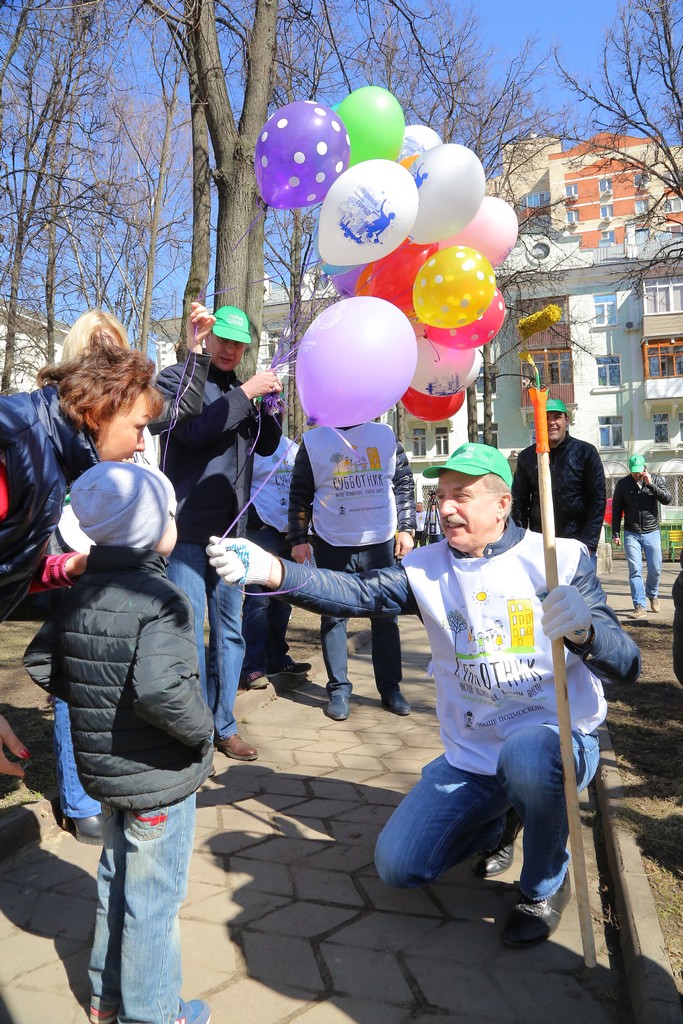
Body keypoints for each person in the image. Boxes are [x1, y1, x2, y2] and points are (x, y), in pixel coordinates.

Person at [208, 442, 640, 948]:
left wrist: (588, 632)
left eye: (463, 495)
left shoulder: (558, 560)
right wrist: (275, 571)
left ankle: (545, 884)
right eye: (441, 495)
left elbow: (627, 665)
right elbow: (356, 593)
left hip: (556, 739)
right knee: (400, 867)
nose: (446, 507)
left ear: (502, 504)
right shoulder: (425, 568)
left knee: (528, 756)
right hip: (474, 755)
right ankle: (501, 819)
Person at [23, 461, 214, 1024]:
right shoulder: (164, 599)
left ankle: (105, 1000)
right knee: (153, 901)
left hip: (104, 774)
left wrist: (91, 699)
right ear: (151, 528)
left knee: (115, 879)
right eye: (170, 514)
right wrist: (203, 733)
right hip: (160, 779)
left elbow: (40, 661)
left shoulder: (79, 590)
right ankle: (152, 1014)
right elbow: (161, 692)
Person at [47, 303, 215, 846]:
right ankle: (83, 798)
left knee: (126, 676)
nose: (106, 355)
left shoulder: (133, 413)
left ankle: (123, 775)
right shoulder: (56, 429)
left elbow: (179, 405)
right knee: (81, 677)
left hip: (134, 562)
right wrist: (62, 564)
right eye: (96, 347)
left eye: (114, 345)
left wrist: (195, 351)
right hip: (81, 564)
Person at [156, 304, 282, 762]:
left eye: (238, 343)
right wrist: (247, 393)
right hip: (186, 533)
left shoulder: (239, 387)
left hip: (232, 533)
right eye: (223, 339)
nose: (230, 349)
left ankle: (224, 726)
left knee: (230, 634)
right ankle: (192, 731)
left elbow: (267, 446)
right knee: (188, 635)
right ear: (207, 337)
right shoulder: (178, 378)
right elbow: (192, 432)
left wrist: (270, 406)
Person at [287, 421, 416, 721]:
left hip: (379, 539)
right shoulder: (313, 441)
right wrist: (298, 538)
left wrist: (407, 528)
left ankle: (390, 689)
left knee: (386, 617)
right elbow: (300, 492)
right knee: (333, 617)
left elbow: (404, 483)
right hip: (332, 540)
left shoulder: (384, 434)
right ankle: (338, 689)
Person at [240, 435, 311, 689]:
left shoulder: (292, 447)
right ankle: (252, 667)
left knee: (284, 599)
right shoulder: (251, 445)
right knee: (259, 601)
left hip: (289, 532)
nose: (275, 415)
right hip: (262, 531)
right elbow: (240, 484)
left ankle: (277, 659)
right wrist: (254, 521)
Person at [511, 398, 606, 566]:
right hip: (538, 546)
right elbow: (519, 502)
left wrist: (588, 544)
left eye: (557, 417)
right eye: (545, 418)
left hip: (577, 544)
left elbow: (597, 500)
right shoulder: (527, 457)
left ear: (566, 420)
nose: (551, 422)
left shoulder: (586, 453)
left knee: (580, 585)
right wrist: (521, 542)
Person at [611, 454, 672, 617]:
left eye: (639, 471)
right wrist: (615, 532)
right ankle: (639, 605)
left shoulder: (656, 479)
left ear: (645, 467)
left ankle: (652, 594)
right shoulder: (623, 484)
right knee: (635, 570)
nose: (637, 474)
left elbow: (667, 499)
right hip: (632, 533)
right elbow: (616, 510)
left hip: (652, 531)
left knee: (656, 568)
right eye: (634, 472)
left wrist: (650, 484)